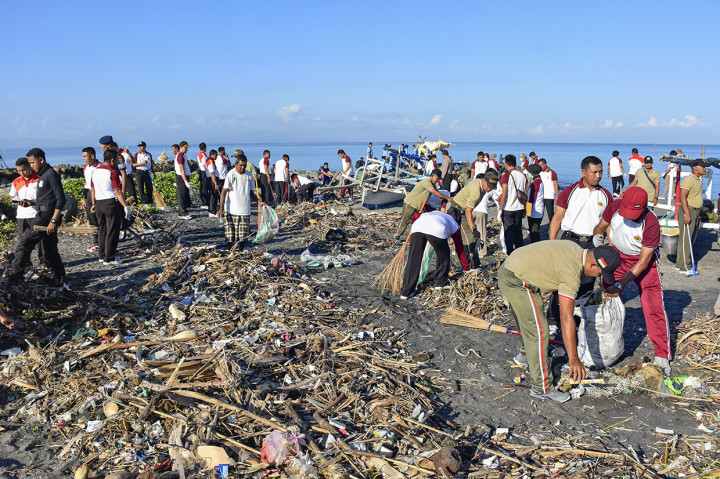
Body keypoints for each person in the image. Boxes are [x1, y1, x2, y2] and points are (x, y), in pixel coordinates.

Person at [498, 242, 621, 402]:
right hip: (517, 280)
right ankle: (541, 388)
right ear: (592, 264)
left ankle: (525, 355)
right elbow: (566, 318)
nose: (598, 276)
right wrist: (574, 359)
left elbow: (551, 264)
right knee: (539, 332)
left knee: (530, 322)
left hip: (512, 268)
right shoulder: (571, 272)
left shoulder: (574, 248)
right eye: (599, 273)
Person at [592, 187, 671, 375]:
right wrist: (597, 238)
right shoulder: (616, 206)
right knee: (607, 296)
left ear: (644, 208)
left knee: (653, 307)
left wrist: (622, 283)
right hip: (618, 256)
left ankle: (662, 355)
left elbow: (643, 262)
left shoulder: (650, 222)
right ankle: (606, 341)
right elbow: (600, 226)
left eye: (635, 213)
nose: (631, 216)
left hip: (644, 263)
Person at [547, 156, 612, 325]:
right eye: (594, 172)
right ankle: (554, 321)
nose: (598, 175)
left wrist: (611, 247)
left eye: (600, 172)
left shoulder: (605, 195)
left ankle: (577, 321)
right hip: (569, 242)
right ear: (583, 172)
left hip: (591, 244)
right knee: (562, 283)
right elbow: (557, 219)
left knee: (586, 284)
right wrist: (551, 244)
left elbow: (608, 225)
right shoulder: (570, 192)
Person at [9, 148, 66, 286]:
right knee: (50, 249)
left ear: (41, 160)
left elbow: (60, 199)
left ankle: (15, 277)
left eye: (32, 162)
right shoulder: (44, 174)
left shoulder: (50, 174)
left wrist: (53, 220)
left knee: (24, 244)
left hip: (45, 216)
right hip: (41, 213)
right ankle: (60, 277)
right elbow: (46, 198)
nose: (31, 166)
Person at [400, 209, 471, 299]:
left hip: (417, 226)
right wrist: (466, 268)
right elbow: (459, 248)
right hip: (437, 229)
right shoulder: (454, 223)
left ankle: (406, 292)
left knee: (413, 259)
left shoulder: (436, 213)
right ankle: (440, 283)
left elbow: (415, 216)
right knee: (443, 255)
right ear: (457, 219)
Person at [448, 170, 499, 267]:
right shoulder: (476, 191)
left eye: (491, 188)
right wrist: (473, 228)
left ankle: (461, 264)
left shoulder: (480, 184)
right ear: (483, 180)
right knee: (470, 238)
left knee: (462, 239)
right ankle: (473, 265)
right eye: (488, 186)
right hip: (458, 211)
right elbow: (468, 211)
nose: (488, 189)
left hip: (460, 209)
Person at [91, 150, 132, 265]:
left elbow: (92, 189)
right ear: (112, 159)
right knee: (112, 231)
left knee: (102, 230)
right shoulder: (112, 172)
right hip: (110, 203)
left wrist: (93, 204)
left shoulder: (95, 171)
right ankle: (109, 258)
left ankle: (102, 255)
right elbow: (117, 191)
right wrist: (125, 206)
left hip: (99, 203)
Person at [217, 153, 266, 251]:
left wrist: (258, 201)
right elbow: (224, 192)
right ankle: (228, 252)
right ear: (236, 164)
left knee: (243, 236)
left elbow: (251, 192)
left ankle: (240, 251)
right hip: (231, 210)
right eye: (241, 165)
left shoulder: (249, 176)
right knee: (230, 236)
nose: (242, 167)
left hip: (244, 210)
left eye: (244, 165)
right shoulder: (231, 174)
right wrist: (221, 208)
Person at [394, 169, 453, 241]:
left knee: (422, 219)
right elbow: (436, 193)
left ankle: (422, 235)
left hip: (419, 206)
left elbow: (437, 192)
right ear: (432, 176)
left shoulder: (432, 184)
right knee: (404, 220)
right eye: (437, 178)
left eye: (438, 179)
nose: (437, 180)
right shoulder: (426, 182)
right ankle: (397, 236)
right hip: (411, 203)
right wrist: (448, 198)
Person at [10, 157, 44, 266]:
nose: (21, 173)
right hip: (21, 215)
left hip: (35, 214)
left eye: (23, 170)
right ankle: (26, 264)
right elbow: (12, 197)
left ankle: (43, 263)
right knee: (22, 241)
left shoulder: (39, 180)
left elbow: (44, 198)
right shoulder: (16, 181)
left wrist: (31, 202)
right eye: (19, 171)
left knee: (40, 242)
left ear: (29, 167)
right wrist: (19, 202)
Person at [675, 159, 706, 273]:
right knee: (686, 239)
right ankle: (685, 266)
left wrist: (699, 217)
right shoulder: (689, 180)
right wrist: (687, 214)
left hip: (696, 211)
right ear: (696, 168)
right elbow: (682, 197)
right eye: (702, 166)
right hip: (688, 210)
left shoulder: (698, 180)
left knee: (690, 239)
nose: (704, 169)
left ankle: (680, 264)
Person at [498, 154, 526, 255]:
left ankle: (510, 253)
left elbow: (504, 193)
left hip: (509, 208)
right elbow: (525, 192)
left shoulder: (507, 176)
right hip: (519, 207)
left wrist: (500, 209)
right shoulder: (522, 176)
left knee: (508, 232)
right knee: (518, 230)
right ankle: (519, 251)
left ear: (506, 163)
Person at [81, 147, 100, 252]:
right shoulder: (86, 168)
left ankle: (102, 240)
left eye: (85, 156)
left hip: (98, 194)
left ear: (92, 156)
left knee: (99, 218)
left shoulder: (100, 167)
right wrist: (84, 199)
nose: (83, 158)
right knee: (91, 218)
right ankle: (96, 242)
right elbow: (86, 183)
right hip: (88, 193)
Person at [525, 164, 544, 243]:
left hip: (535, 211)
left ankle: (536, 247)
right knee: (535, 230)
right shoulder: (540, 181)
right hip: (539, 209)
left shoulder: (535, 184)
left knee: (534, 232)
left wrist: (527, 211)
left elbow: (531, 199)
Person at [175, 141, 192, 219]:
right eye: (185, 148)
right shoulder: (180, 156)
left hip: (184, 176)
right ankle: (182, 213)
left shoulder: (183, 155)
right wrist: (185, 181)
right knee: (181, 194)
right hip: (181, 177)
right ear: (181, 147)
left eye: (187, 148)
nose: (186, 149)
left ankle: (183, 212)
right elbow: (181, 170)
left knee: (184, 194)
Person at [205, 149, 221, 216]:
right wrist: (215, 183)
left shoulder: (211, 161)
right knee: (213, 196)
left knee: (214, 195)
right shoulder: (210, 162)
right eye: (216, 155)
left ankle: (212, 210)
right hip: (213, 180)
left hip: (213, 179)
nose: (217, 156)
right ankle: (212, 211)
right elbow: (212, 174)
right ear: (212, 155)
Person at [197, 143, 209, 209]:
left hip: (201, 171)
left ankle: (203, 201)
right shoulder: (203, 155)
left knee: (202, 186)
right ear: (205, 148)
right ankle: (204, 202)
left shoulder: (200, 154)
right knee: (204, 186)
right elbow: (204, 164)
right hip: (204, 171)